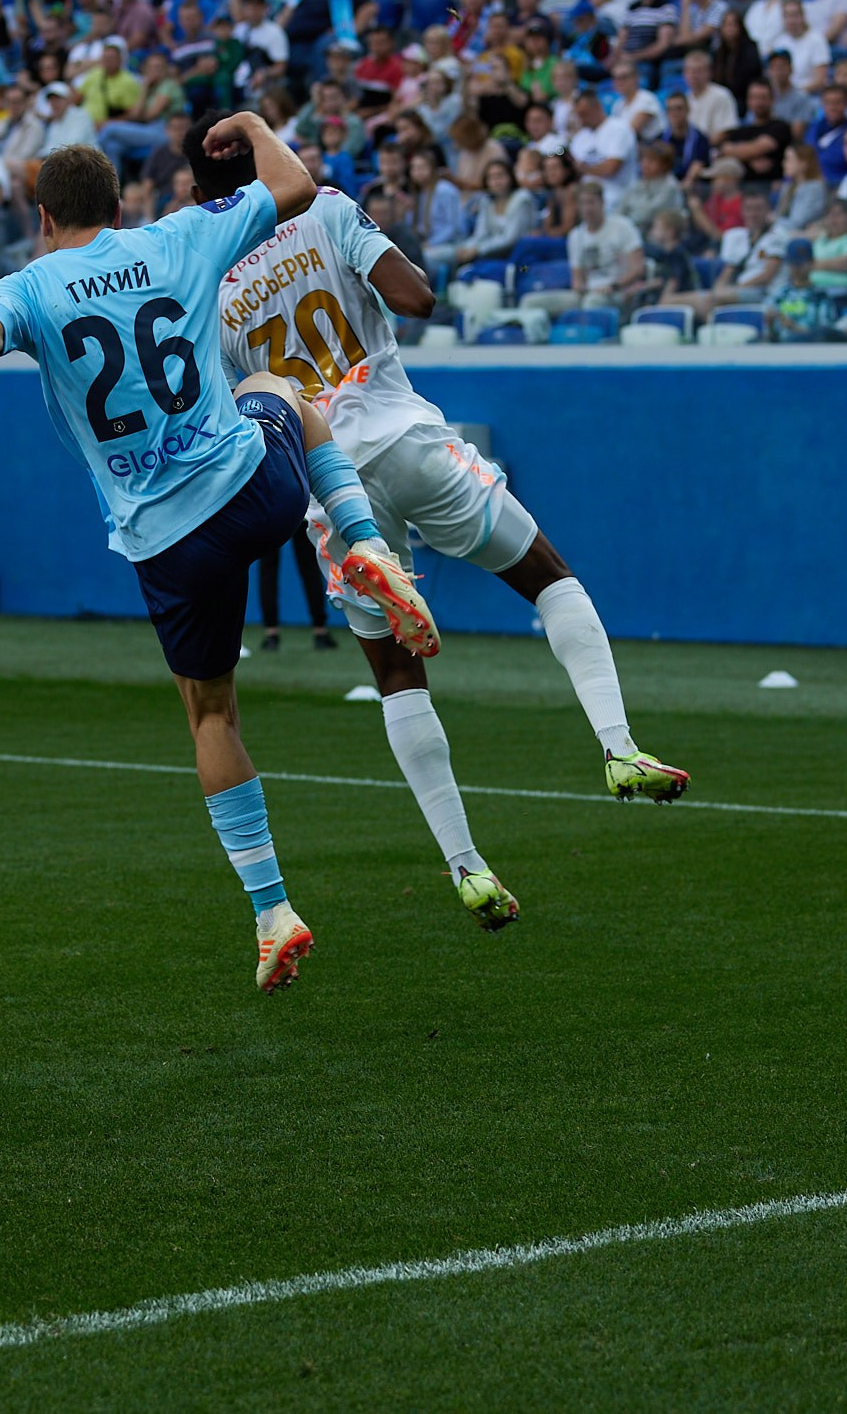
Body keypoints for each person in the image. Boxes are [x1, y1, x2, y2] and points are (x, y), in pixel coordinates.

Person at [0, 122, 441, 995]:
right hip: (252, 488)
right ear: (118, 208)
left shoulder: (29, 286)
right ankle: (364, 542)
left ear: (43, 218)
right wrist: (254, 126)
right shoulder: (177, 235)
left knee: (211, 716)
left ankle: (272, 911)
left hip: (165, 540)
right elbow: (296, 187)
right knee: (280, 388)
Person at [189, 110, 690, 914]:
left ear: (199, 193)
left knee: (395, 674)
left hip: (330, 484)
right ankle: (619, 746)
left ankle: (467, 867)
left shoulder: (207, 286)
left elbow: (232, 411)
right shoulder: (324, 208)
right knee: (548, 577)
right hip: (405, 436)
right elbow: (416, 296)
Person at [254, 540, 334, 651]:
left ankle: (271, 633)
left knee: (268, 568)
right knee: (310, 567)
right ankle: (320, 631)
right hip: (300, 527)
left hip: (269, 528)